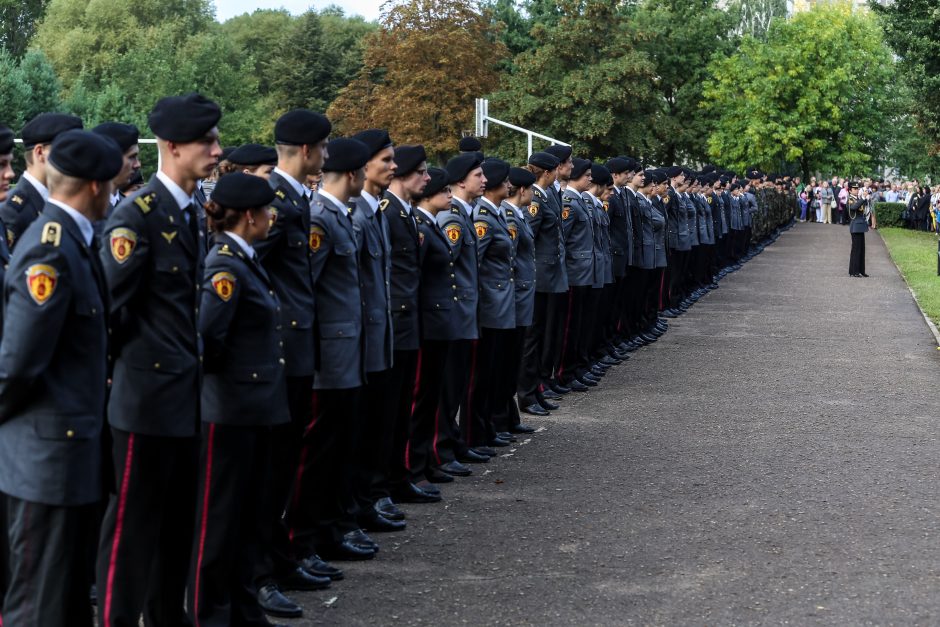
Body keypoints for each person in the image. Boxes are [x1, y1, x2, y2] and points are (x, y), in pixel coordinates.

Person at [96, 93, 221, 627]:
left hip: (185, 396)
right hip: (145, 400)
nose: (217, 150)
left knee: (178, 525)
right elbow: (109, 309)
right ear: (171, 146)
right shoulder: (137, 215)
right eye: (206, 142)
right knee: (131, 530)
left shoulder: (192, 212)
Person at [0, 129, 121, 626]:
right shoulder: (51, 248)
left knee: (68, 599)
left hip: (69, 455)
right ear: (96, 186)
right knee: (39, 604)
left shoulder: (72, 239)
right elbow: (17, 365)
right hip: (45, 458)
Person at [187, 172, 290, 626]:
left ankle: (243, 607)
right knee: (218, 520)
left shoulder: (244, 258)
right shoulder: (225, 264)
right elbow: (209, 338)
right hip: (230, 408)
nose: (272, 216)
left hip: (254, 406)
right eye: (267, 210)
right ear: (250, 216)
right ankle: (210, 612)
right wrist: (229, 386)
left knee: (249, 515)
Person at [252, 108, 336, 621]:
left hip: (299, 350)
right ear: (307, 150)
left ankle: (279, 558)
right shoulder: (275, 202)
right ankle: (260, 574)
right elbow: (251, 270)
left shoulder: (292, 198)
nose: (326, 156)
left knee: (284, 466)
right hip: (281, 353)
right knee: (269, 469)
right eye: (323, 148)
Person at [287, 137, 376, 563]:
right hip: (328, 356)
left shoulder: (341, 215)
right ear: (355, 174)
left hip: (348, 353)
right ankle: (302, 540)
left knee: (340, 446)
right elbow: (310, 291)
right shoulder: (320, 218)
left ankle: (329, 529)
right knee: (317, 451)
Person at [347, 129, 403, 530]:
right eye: (385, 160)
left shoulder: (376, 210)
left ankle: (371, 495)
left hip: (380, 337)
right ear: (363, 166)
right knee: (359, 430)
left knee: (378, 425)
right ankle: (359, 502)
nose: (393, 167)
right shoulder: (355, 214)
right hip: (359, 341)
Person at [469, 158, 516, 449]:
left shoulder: (495, 213)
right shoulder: (483, 217)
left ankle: (487, 427)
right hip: (489, 303)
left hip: (500, 302)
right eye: (506, 181)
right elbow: (474, 263)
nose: (510, 186)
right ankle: (476, 432)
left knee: (495, 369)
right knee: (482, 373)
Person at [0, 113, 83, 251]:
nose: (77, 159)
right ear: (39, 153)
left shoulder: (62, 202)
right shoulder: (12, 212)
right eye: (68, 151)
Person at [847, 181, 869, 277]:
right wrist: (863, 198)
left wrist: (866, 199)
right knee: (856, 249)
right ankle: (854, 271)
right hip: (855, 226)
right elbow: (854, 207)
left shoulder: (858, 198)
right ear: (850, 190)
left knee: (862, 249)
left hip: (860, 225)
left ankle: (861, 270)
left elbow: (864, 208)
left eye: (857, 189)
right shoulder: (850, 199)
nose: (856, 190)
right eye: (855, 189)